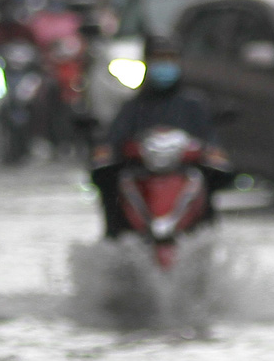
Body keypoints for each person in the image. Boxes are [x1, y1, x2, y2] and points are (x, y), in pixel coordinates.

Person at [89, 35, 229, 235]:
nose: (164, 65)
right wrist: (105, 153)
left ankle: (206, 234)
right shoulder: (134, 107)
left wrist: (213, 154)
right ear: (147, 63)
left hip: (184, 178)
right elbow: (113, 141)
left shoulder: (193, 105)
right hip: (143, 181)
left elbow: (211, 143)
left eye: (170, 59)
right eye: (158, 59)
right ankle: (115, 236)